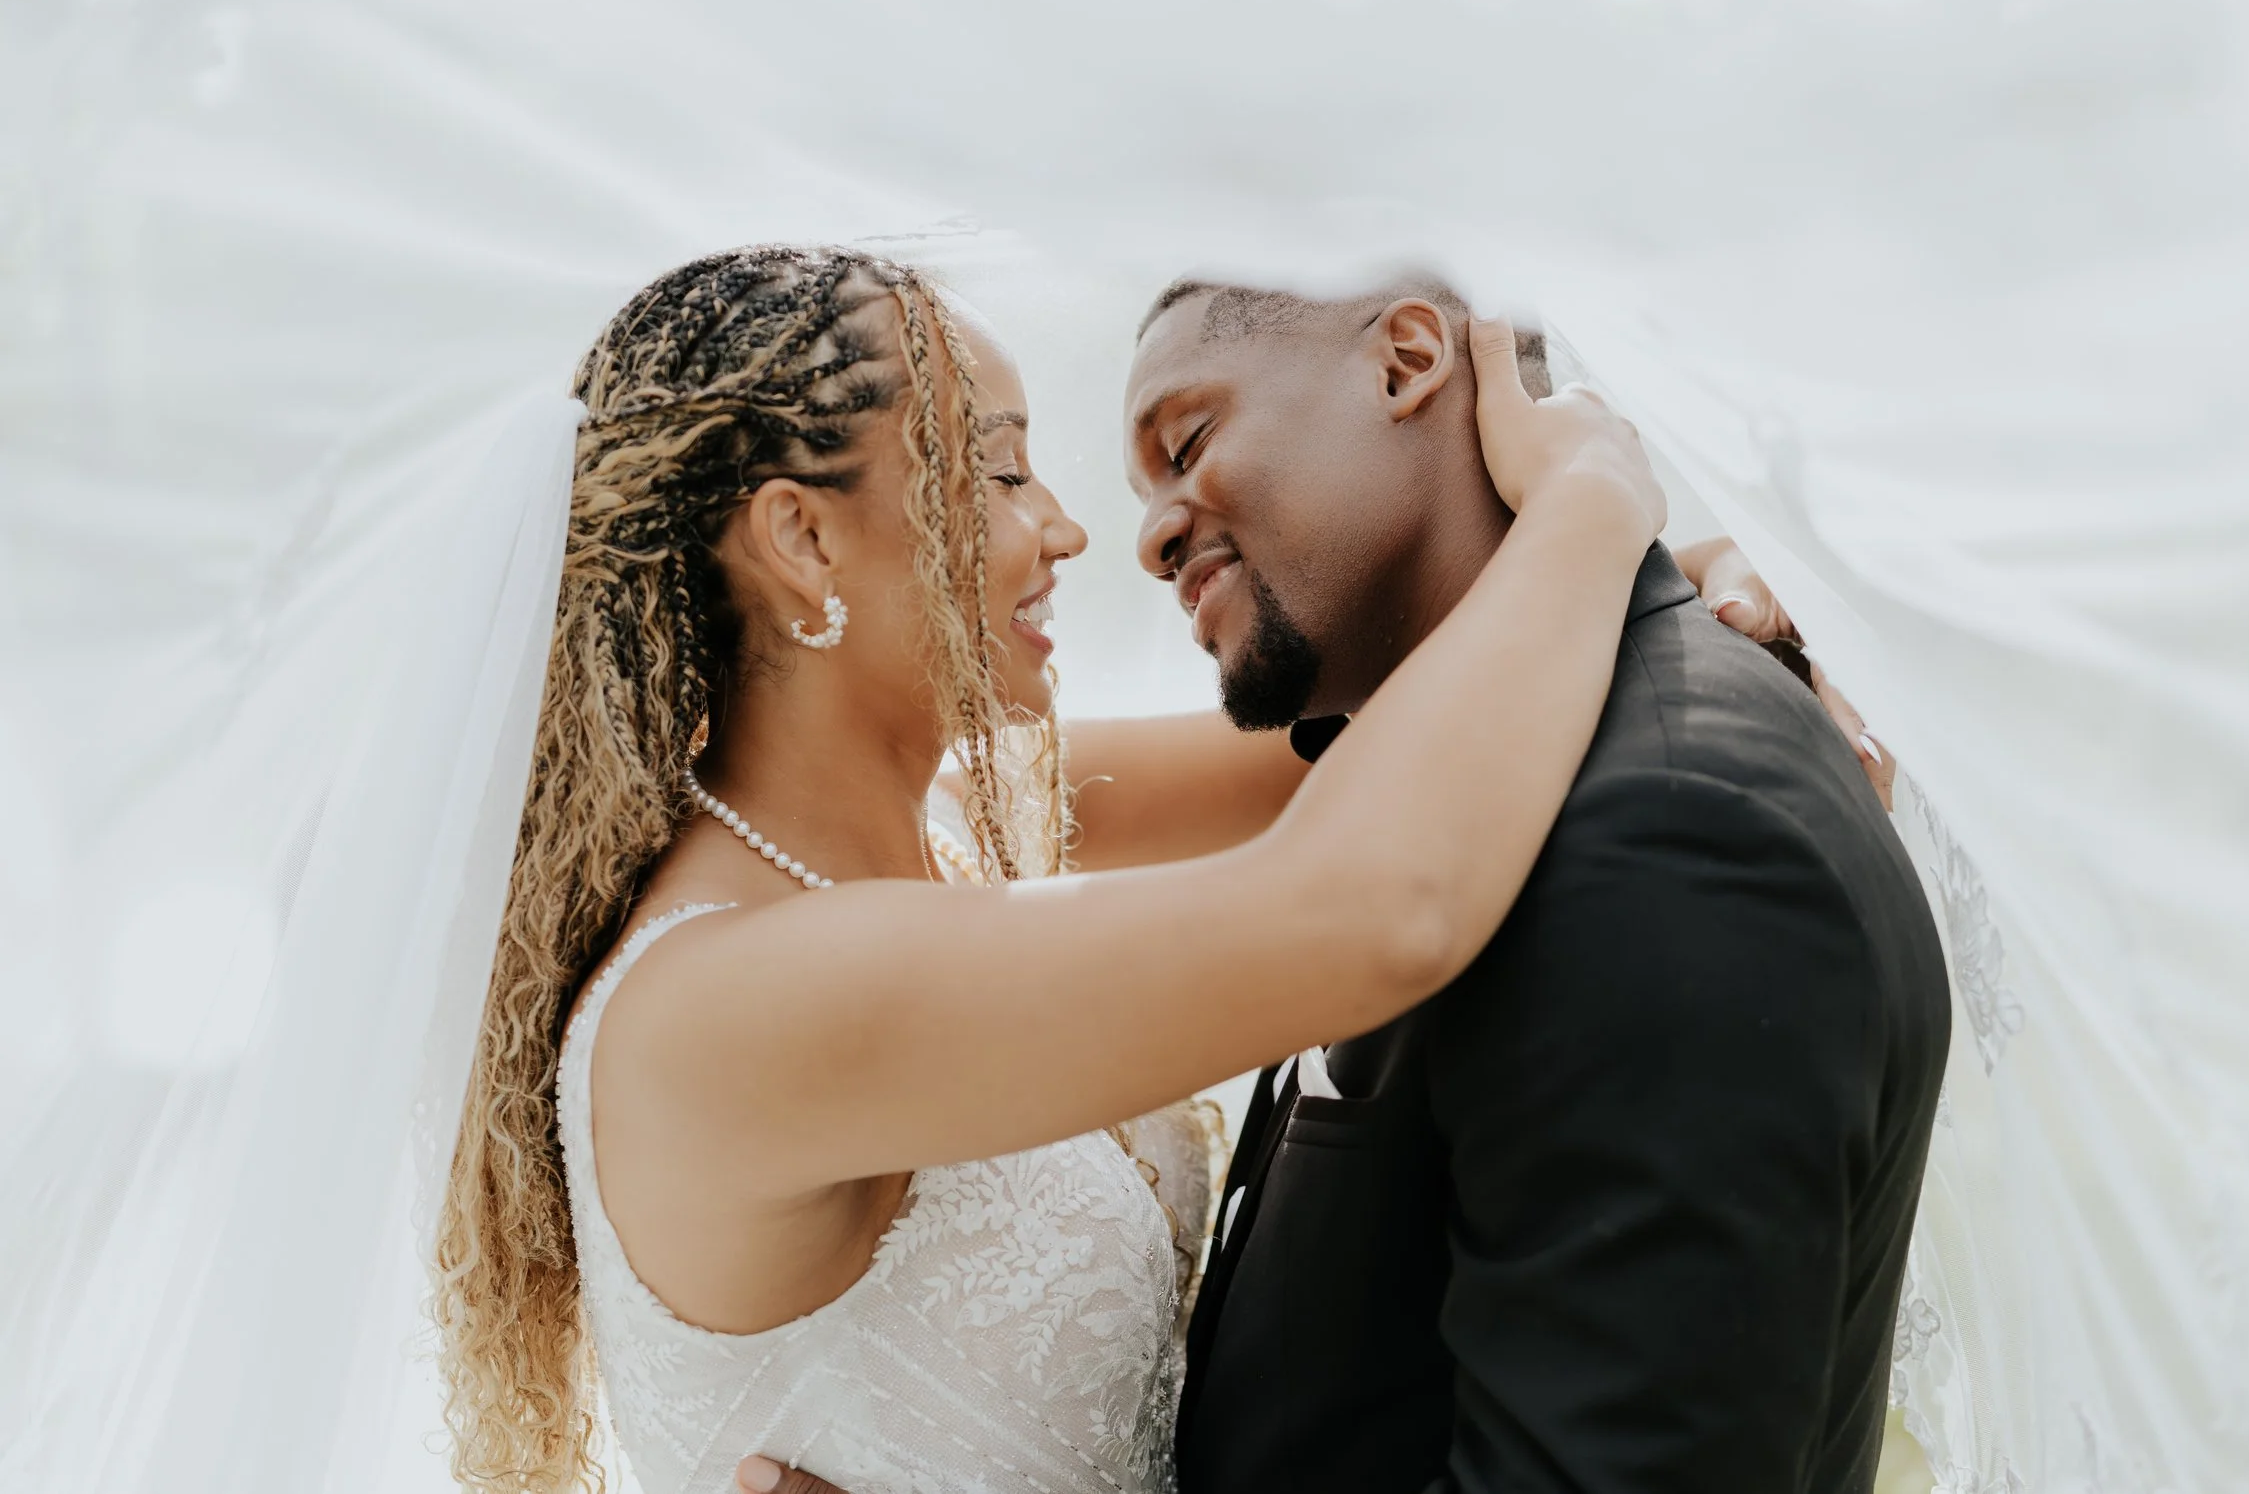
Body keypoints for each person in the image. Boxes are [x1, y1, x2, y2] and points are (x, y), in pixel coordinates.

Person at [429, 243, 1671, 1494]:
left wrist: (1696, 601)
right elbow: (1378, 906)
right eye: (999, 468)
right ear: (802, 536)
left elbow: (1392, 741)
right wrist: (1593, 506)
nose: (1066, 527)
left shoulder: (964, 826)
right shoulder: (726, 1000)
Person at [736, 270, 1950, 1494]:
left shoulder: (1669, 830)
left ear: (1406, 358)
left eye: (1189, 439)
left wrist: (1636, 531)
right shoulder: (1432, 777)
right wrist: (1598, 511)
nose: (1142, 537)